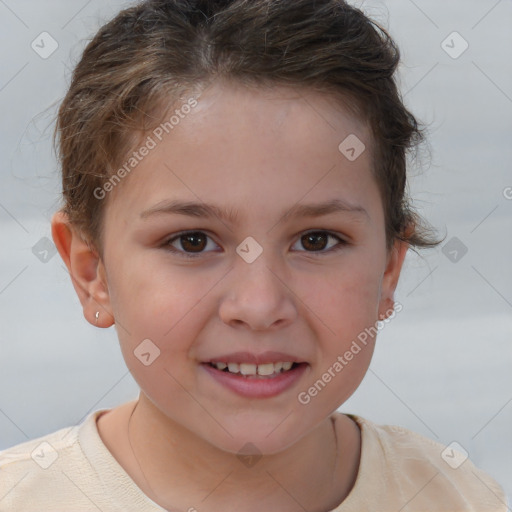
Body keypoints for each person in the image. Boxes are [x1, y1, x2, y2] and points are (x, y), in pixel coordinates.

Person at [0, 0, 507, 510]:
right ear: (92, 273)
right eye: (192, 241)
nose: (260, 305)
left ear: (388, 268)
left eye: (317, 240)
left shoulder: (463, 499)